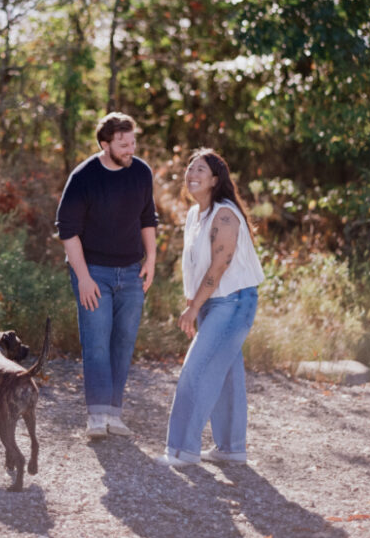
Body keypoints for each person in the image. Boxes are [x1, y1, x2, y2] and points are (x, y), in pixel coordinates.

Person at [156, 147, 264, 468]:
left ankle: (181, 450)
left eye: (200, 169)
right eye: (190, 169)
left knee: (197, 371)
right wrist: (194, 305)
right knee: (227, 374)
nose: (192, 174)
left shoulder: (225, 214)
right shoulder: (194, 215)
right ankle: (231, 448)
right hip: (212, 303)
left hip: (233, 302)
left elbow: (218, 268)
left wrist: (192, 309)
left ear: (215, 179)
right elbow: (196, 266)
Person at [55, 112, 158, 440]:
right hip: (94, 271)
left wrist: (151, 260)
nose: (130, 149)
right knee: (97, 344)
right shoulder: (84, 176)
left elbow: (148, 218)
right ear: (105, 144)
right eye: (122, 144)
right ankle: (96, 417)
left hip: (131, 272)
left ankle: (114, 414)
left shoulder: (141, 172)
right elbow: (68, 232)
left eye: (133, 142)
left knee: (124, 343)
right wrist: (83, 278)